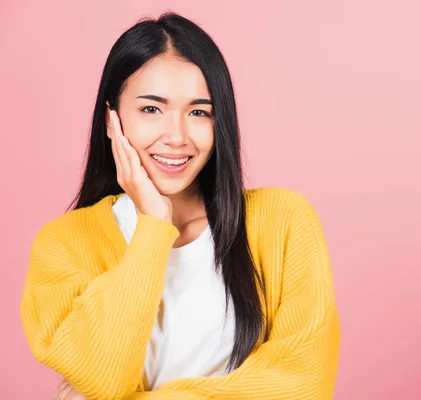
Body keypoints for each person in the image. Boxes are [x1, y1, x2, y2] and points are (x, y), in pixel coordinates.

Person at [20, 12, 340, 400]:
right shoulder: (64, 244)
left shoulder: (283, 221)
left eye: (198, 112)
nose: (177, 136)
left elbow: (303, 384)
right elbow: (101, 379)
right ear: (111, 119)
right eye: (151, 109)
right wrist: (153, 226)